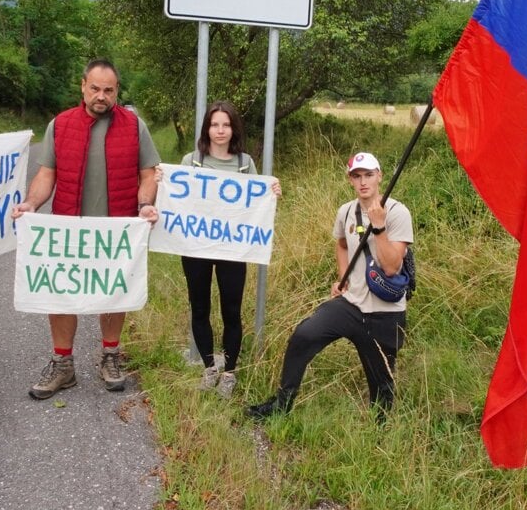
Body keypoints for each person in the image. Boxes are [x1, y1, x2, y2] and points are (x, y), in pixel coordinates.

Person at [10, 58, 160, 398]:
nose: (101, 96)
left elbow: (148, 172)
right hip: (69, 226)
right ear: (83, 86)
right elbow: (47, 173)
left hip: (116, 227)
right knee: (60, 291)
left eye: (109, 90)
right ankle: (63, 365)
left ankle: (110, 355)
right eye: (95, 88)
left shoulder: (135, 126)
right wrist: (31, 204)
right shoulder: (60, 125)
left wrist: (145, 203)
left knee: (114, 289)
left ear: (117, 91)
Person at [246, 152, 412, 421]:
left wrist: (379, 227)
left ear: (380, 176)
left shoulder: (397, 212)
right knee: (304, 335)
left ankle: (379, 430)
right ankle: (281, 404)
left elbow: (392, 266)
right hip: (351, 305)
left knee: (381, 388)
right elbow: (342, 243)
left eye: (369, 175)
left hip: (385, 312)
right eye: (357, 176)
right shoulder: (346, 211)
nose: (363, 182)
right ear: (350, 180)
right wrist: (343, 278)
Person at [175, 101, 280, 398]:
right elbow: (176, 199)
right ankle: (209, 367)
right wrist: (163, 183)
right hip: (196, 246)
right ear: (207, 128)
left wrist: (271, 193)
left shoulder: (245, 163)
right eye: (214, 124)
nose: (220, 131)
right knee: (200, 306)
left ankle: (230, 371)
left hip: (233, 249)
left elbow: (256, 203)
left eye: (226, 125)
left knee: (231, 310)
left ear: (233, 129)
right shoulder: (191, 160)